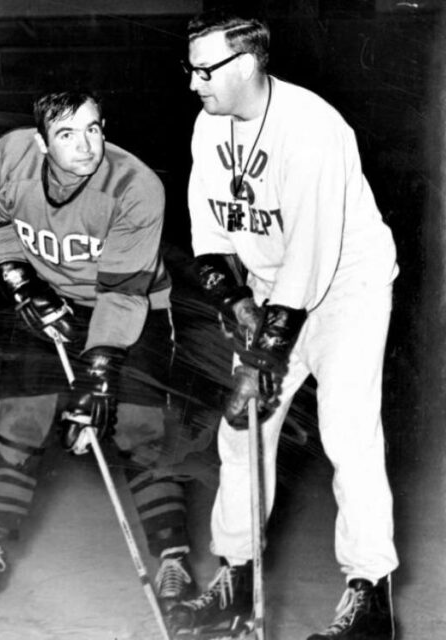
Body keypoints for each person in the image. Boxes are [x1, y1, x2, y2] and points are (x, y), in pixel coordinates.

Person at [169, 10, 399, 639]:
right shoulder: (210, 125)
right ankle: (235, 581)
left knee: (347, 432)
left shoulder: (313, 129)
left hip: (344, 285)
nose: (193, 83)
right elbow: (209, 234)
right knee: (240, 431)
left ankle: (368, 598)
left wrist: (262, 361)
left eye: (203, 70)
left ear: (246, 65)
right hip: (274, 287)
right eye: (189, 69)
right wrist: (233, 301)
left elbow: (312, 260)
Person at [0, 90, 204, 619]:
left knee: (139, 430)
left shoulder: (136, 186)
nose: (86, 145)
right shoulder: (11, 157)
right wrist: (20, 282)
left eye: (94, 129)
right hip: (49, 299)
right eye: (67, 134)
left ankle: (173, 561)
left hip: (131, 304)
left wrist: (98, 373)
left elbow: (122, 293)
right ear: (41, 142)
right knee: (20, 420)